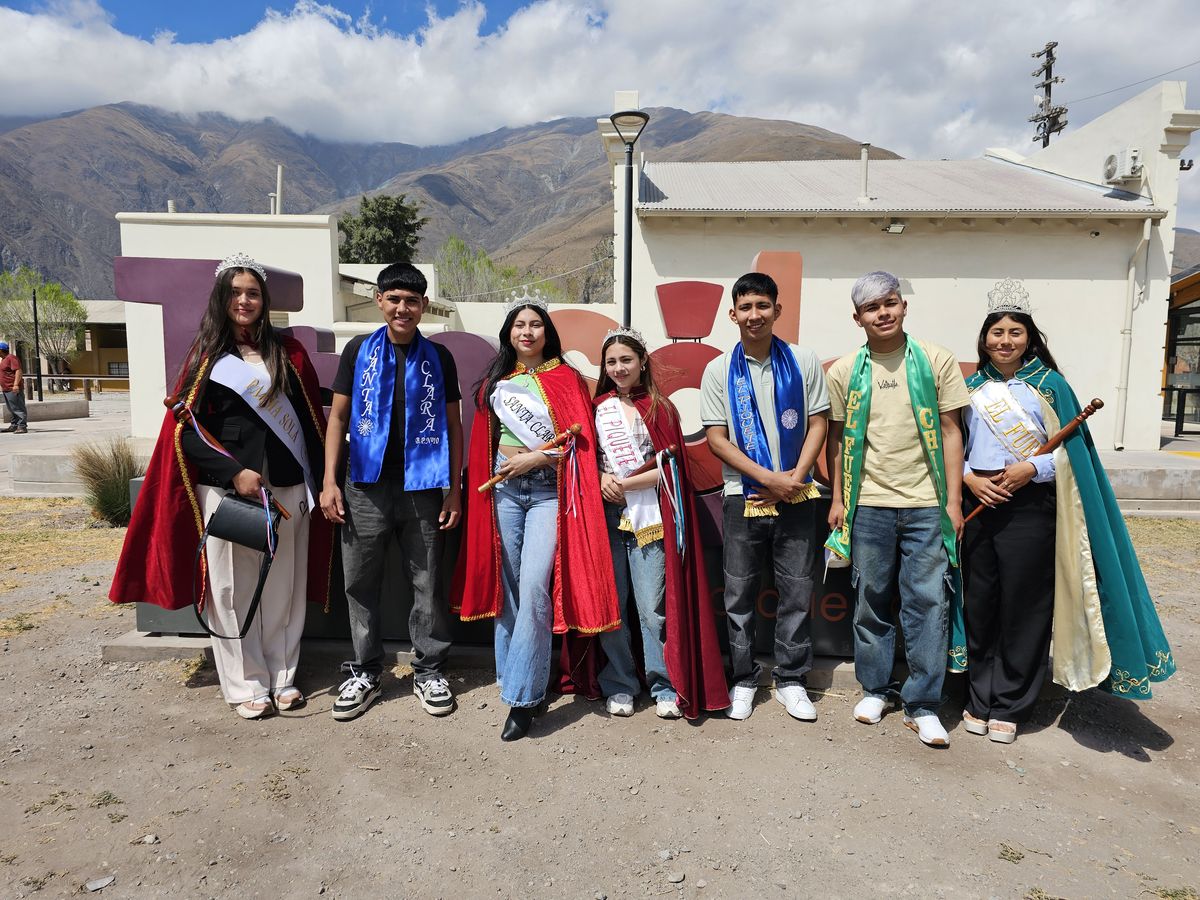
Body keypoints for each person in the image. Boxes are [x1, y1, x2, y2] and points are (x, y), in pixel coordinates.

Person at [110, 252, 332, 719]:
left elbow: (309, 422)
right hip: (231, 490)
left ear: (264, 300)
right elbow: (184, 429)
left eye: (252, 292)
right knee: (232, 590)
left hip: (288, 487)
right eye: (235, 292)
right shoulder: (208, 355)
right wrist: (234, 472)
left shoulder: (288, 354)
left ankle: (283, 676)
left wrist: (321, 479)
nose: (244, 300)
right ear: (222, 298)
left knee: (284, 589)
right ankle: (244, 682)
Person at [960, 279, 1175, 743]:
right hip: (979, 501)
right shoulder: (969, 388)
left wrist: (1030, 469)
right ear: (984, 340)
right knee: (980, 603)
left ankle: (1011, 705)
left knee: (1024, 605)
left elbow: (1072, 456)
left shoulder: (1052, 386)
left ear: (1029, 338)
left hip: (1030, 507)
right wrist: (968, 477)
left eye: (1014, 333)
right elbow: (950, 443)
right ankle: (979, 698)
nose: (1005, 341)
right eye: (996, 333)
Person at [452, 296, 619, 741]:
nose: (527, 332)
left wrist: (534, 459)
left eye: (536, 325)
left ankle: (525, 700)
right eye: (519, 325)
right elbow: (482, 443)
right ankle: (515, 681)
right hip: (502, 491)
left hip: (547, 491)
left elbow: (576, 446)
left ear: (548, 333)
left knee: (534, 587)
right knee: (506, 589)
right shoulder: (496, 381)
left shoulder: (566, 379)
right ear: (509, 332)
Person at [824, 271, 969, 748]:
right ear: (857, 317)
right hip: (870, 504)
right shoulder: (845, 371)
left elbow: (951, 431)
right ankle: (875, 689)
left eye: (890, 302)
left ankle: (923, 703)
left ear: (904, 306)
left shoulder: (934, 360)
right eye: (872, 308)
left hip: (927, 505)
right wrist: (840, 501)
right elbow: (841, 440)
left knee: (929, 602)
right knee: (871, 599)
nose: (883, 313)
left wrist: (952, 500)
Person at [320, 263, 463, 721]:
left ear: (424, 306)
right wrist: (329, 482)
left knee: (427, 581)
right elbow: (338, 419)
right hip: (364, 485)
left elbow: (454, 425)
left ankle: (429, 670)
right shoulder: (359, 350)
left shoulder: (439, 358)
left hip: (423, 485)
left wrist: (454, 489)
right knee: (360, 580)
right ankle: (365, 669)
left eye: (413, 300)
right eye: (395, 299)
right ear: (380, 301)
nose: (403, 308)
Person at [700, 272, 830, 722]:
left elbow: (818, 423)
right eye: (746, 307)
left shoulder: (802, 359)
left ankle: (792, 680)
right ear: (732, 314)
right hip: (742, 496)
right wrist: (767, 479)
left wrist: (792, 478)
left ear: (777, 310)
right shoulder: (718, 369)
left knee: (796, 591)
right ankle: (743, 679)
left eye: (763, 306)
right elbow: (717, 439)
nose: (754, 315)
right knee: (738, 594)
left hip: (797, 493)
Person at [592, 327, 729, 720]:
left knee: (653, 608)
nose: (619, 368)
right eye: (612, 361)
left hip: (649, 517)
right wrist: (603, 479)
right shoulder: (597, 407)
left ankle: (663, 683)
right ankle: (619, 683)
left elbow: (671, 471)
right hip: (606, 517)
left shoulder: (660, 408)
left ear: (642, 363)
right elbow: (586, 463)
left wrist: (626, 482)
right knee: (613, 606)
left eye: (626, 360)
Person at [0, 341, 28, 434]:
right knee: (12, 408)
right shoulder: (4, 359)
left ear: (1, 350)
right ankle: (14, 425)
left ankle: (22, 426)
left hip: (13, 388)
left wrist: (16, 384)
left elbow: (18, 371)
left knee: (18, 408)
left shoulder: (11, 358)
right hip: (6, 388)